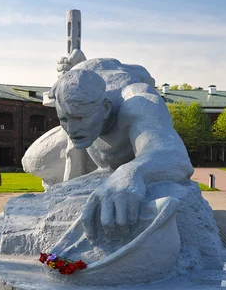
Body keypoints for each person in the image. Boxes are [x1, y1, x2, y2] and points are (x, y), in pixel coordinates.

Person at [23, 59, 193, 240]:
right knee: (32, 162)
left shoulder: (138, 102)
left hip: (129, 151)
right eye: (64, 119)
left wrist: (132, 172)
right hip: (93, 147)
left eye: (80, 118)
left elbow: (174, 156)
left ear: (105, 108)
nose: (71, 129)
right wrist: (69, 73)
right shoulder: (79, 86)